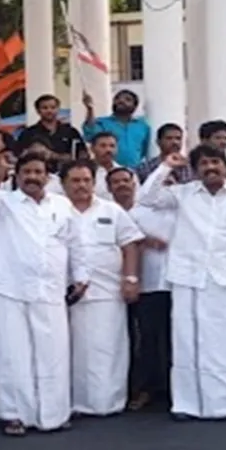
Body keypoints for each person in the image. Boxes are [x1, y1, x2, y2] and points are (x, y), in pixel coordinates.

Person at [138, 145, 226, 422]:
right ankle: (188, 405)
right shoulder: (183, 194)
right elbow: (146, 198)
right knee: (189, 342)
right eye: (204, 163)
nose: (210, 167)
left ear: (225, 165)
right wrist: (167, 166)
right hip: (189, 279)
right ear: (195, 170)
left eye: (215, 162)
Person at [0, 143, 84, 436]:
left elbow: (75, 243)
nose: (32, 177)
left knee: (54, 353)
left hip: (51, 289)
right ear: (17, 176)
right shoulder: (5, 204)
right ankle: (14, 414)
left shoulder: (61, 205)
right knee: (13, 354)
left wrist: (81, 276)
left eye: (38, 172)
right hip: (13, 289)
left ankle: (54, 414)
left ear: (48, 177)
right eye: (26, 172)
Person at [60, 161, 143, 416]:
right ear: (64, 184)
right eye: (75, 181)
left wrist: (130, 279)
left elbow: (130, 244)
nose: (81, 185)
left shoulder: (111, 210)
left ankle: (108, 402)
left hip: (108, 292)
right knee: (71, 351)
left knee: (108, 349)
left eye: (86, 180)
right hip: (66, 294)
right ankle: (73, 402)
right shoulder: (56, 210)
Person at [121, 167, 175, 412]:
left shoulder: (183, 210)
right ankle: (145, 389)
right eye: (163, 180)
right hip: (150, 284)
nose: (168, 185)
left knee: (177, 339)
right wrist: (145, 240)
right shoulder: (136, 211)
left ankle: (175, 388)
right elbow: (127, 240)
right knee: (149, 339)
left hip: (179, 283)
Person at [82, 89, 151, 168]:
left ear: (135, 106)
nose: (121, 101)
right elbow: (91, 134)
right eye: (117, 99)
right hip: (107, 169)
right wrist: (90, 109)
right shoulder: (102, 122)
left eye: (127, 99)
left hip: (134, 171)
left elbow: (143, 151)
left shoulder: (142, 126)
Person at [18, 95, 84, 160]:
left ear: (58, 109)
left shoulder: (71, 132)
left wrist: (52, 155)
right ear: (37, 110)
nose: (49, 111)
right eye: (45, 108)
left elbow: (81, 155)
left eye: (53, 107)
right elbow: (19, 155)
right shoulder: (28, 133)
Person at [89, 132, 119, 200]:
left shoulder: (126, 173)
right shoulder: (82, 172)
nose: (108, 150)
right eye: (103, 146)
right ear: (92, 148)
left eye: (112, 146)